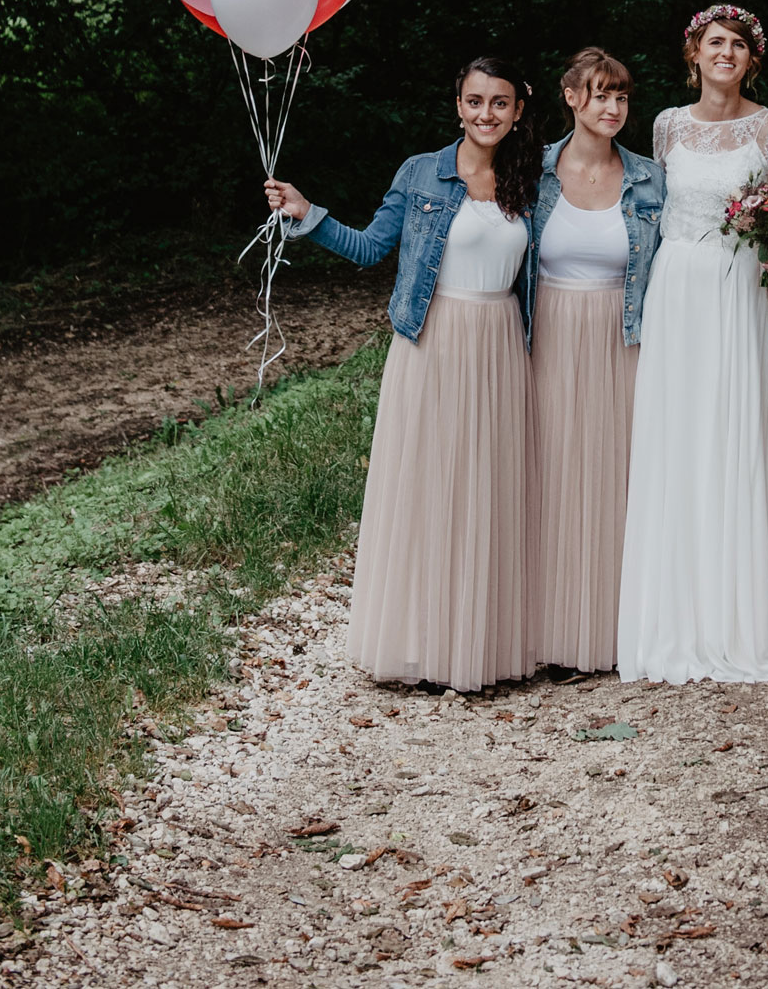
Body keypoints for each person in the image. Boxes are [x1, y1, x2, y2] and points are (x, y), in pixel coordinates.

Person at [264, 54, 542, 692]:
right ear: (458, 105)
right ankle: (421, 641)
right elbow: (369, 248)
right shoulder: (421, 174)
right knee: (430, 485)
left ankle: (484, 639)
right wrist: (307, 215)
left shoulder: (531, 179)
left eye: (500, 103)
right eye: (475, 101)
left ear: (519, 110)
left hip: (501, 343)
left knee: (489, 487)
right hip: (434, 340)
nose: (486, 114)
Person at [617, 3, 768, 685]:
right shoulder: (667, 125)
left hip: (735, 292)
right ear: (693, 53)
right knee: (675, 435)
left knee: (730, 433)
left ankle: (732, 614)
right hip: (676, 287)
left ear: (754, 59)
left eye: (739, 45)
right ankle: (667, 613)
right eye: (715, 42)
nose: (727, 52)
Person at [530, 47, 665, 672]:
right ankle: (545, 627)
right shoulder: (531, 174)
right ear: (571, 95)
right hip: (550, 335)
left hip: (622, 338)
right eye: (600, 94)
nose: (613, 108)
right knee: (550, 473)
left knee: (617, 475)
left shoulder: (648, 177)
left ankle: (615, 628)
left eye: (622, 97)